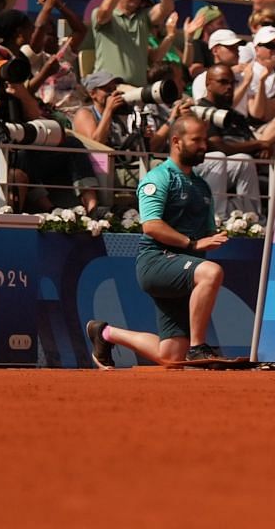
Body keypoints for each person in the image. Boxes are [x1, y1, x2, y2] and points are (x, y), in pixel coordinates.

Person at [86, 115, 229, 368]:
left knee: (171, 356)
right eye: (196, 140)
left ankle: (105, 333)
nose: (203, 146)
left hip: (184, 268)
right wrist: (192, 244)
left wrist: (211, 240)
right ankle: (197, 348)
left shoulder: (202, 187)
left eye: (205, 140)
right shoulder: (158, 178)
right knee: (211, 273)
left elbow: (206, 233)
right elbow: (151, 226)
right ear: (176, 141)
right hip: (157, 262)